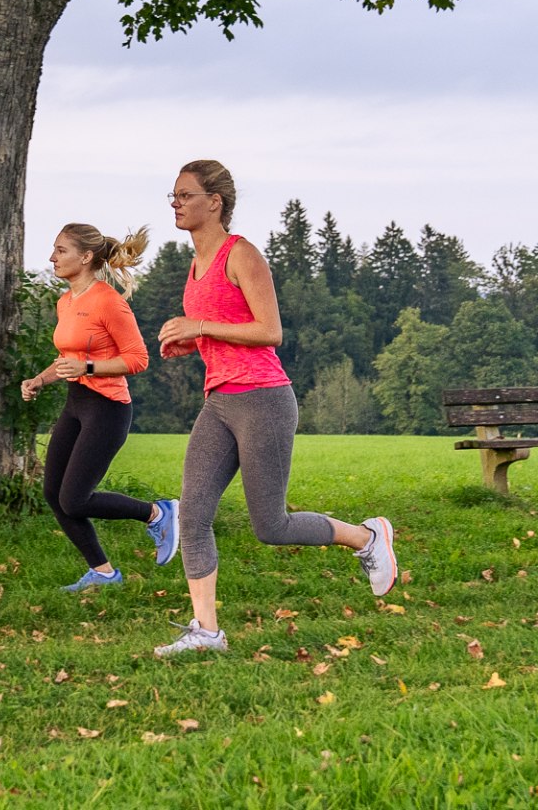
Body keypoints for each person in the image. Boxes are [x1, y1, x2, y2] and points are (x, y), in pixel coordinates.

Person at [153, 160, 398, 657]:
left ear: (214, 202)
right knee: (194, 516)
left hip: (263, 399)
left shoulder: (240, 254)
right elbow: (220, 331)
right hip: (218, 400)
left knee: (272, 526)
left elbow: (269, 331)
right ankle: (207, 632)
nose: (175, 203)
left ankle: (368, 537)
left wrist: (197, 328)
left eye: (185, 195)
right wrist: (188, 344)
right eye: (173, 196)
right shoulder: (194, 267)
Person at [21, 223, 179, 592]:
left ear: (86, 256)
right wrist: (40, 380)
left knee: (74, 499)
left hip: (107, 408)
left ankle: (158, 513)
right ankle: (104, 573)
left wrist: (88, 368)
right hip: (76, 403)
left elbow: (138, 359)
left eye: (61, 251)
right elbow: (68, 358)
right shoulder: (67, 301)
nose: (52, 257)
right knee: (53, 493)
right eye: (54, 250)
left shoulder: (108, 300)